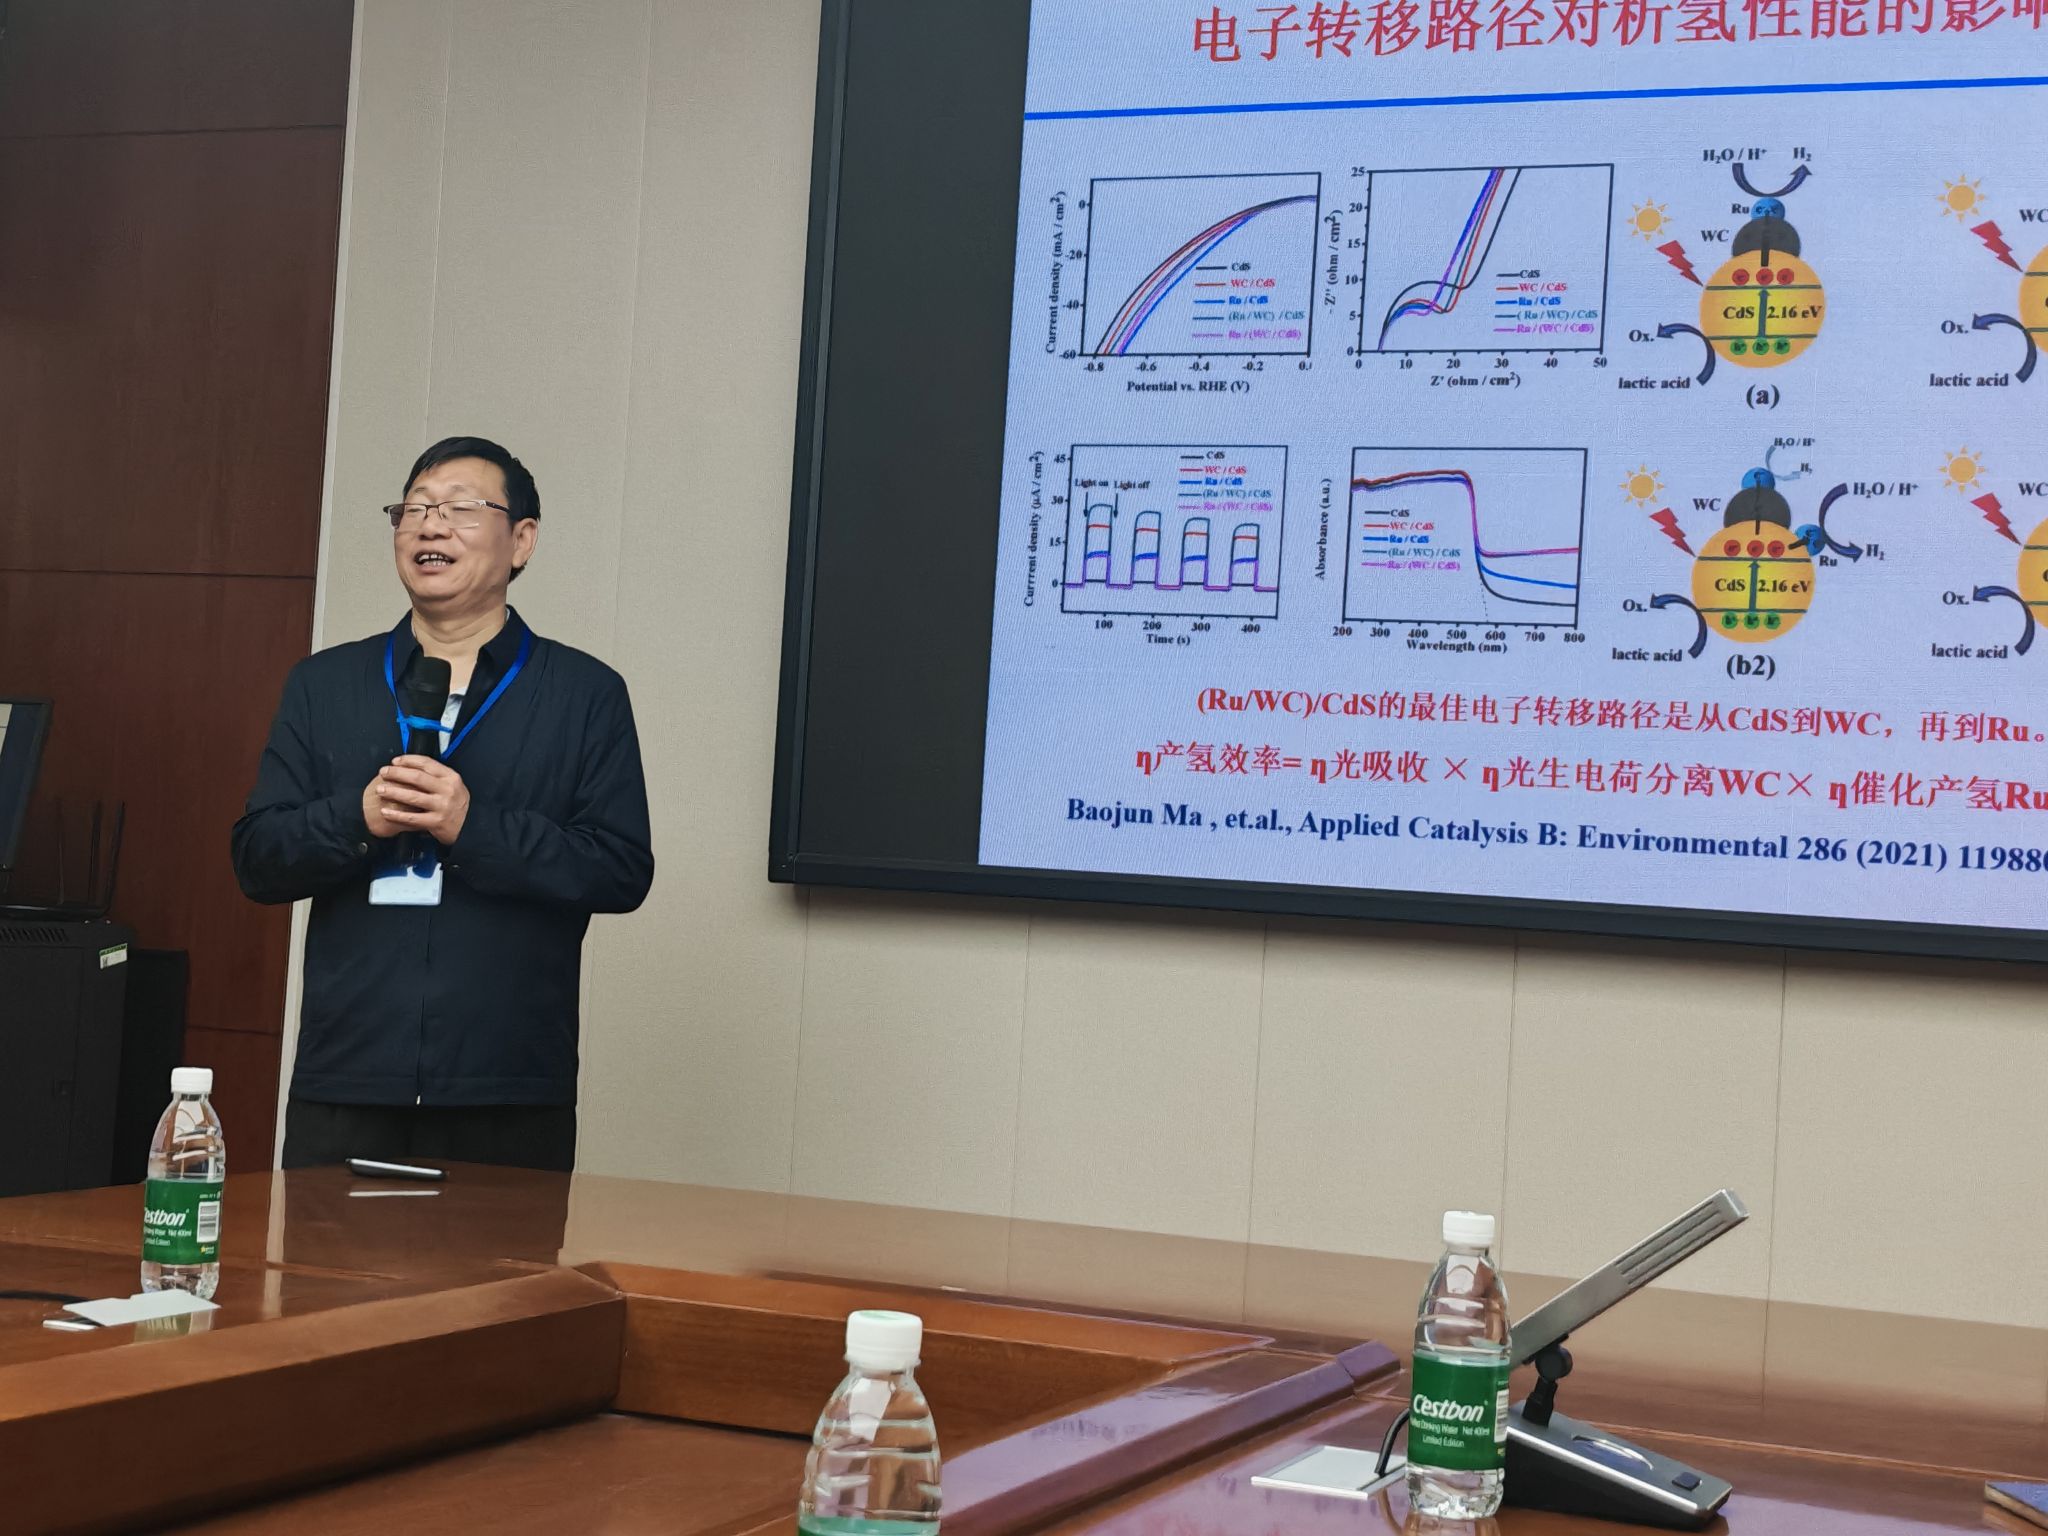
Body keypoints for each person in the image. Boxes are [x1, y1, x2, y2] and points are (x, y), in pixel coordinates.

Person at [233, 437, 654, 1172]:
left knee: (505, 1257)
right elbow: (257, 859)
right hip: (348, 1078)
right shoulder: (325, 685)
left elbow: (619, 870)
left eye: (461, 509)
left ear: (521, 540)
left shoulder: (584, 695)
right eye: (415, 508)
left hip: (507, 1085)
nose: (430, 525)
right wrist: (358, 819)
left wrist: (473, 827)